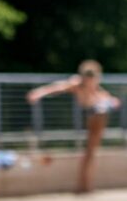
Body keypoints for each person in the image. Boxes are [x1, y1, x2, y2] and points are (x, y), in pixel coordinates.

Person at [27, 61, 120, 193]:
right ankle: (85, 186)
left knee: (90, 153)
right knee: (89, 153)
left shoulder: (95, 87)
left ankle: (86, 185)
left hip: (97, 114)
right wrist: (39, 92)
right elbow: (57, 87)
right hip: (91, 114)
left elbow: (104, 96)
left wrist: (112, 101)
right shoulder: (77, 83)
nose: (93, 83)